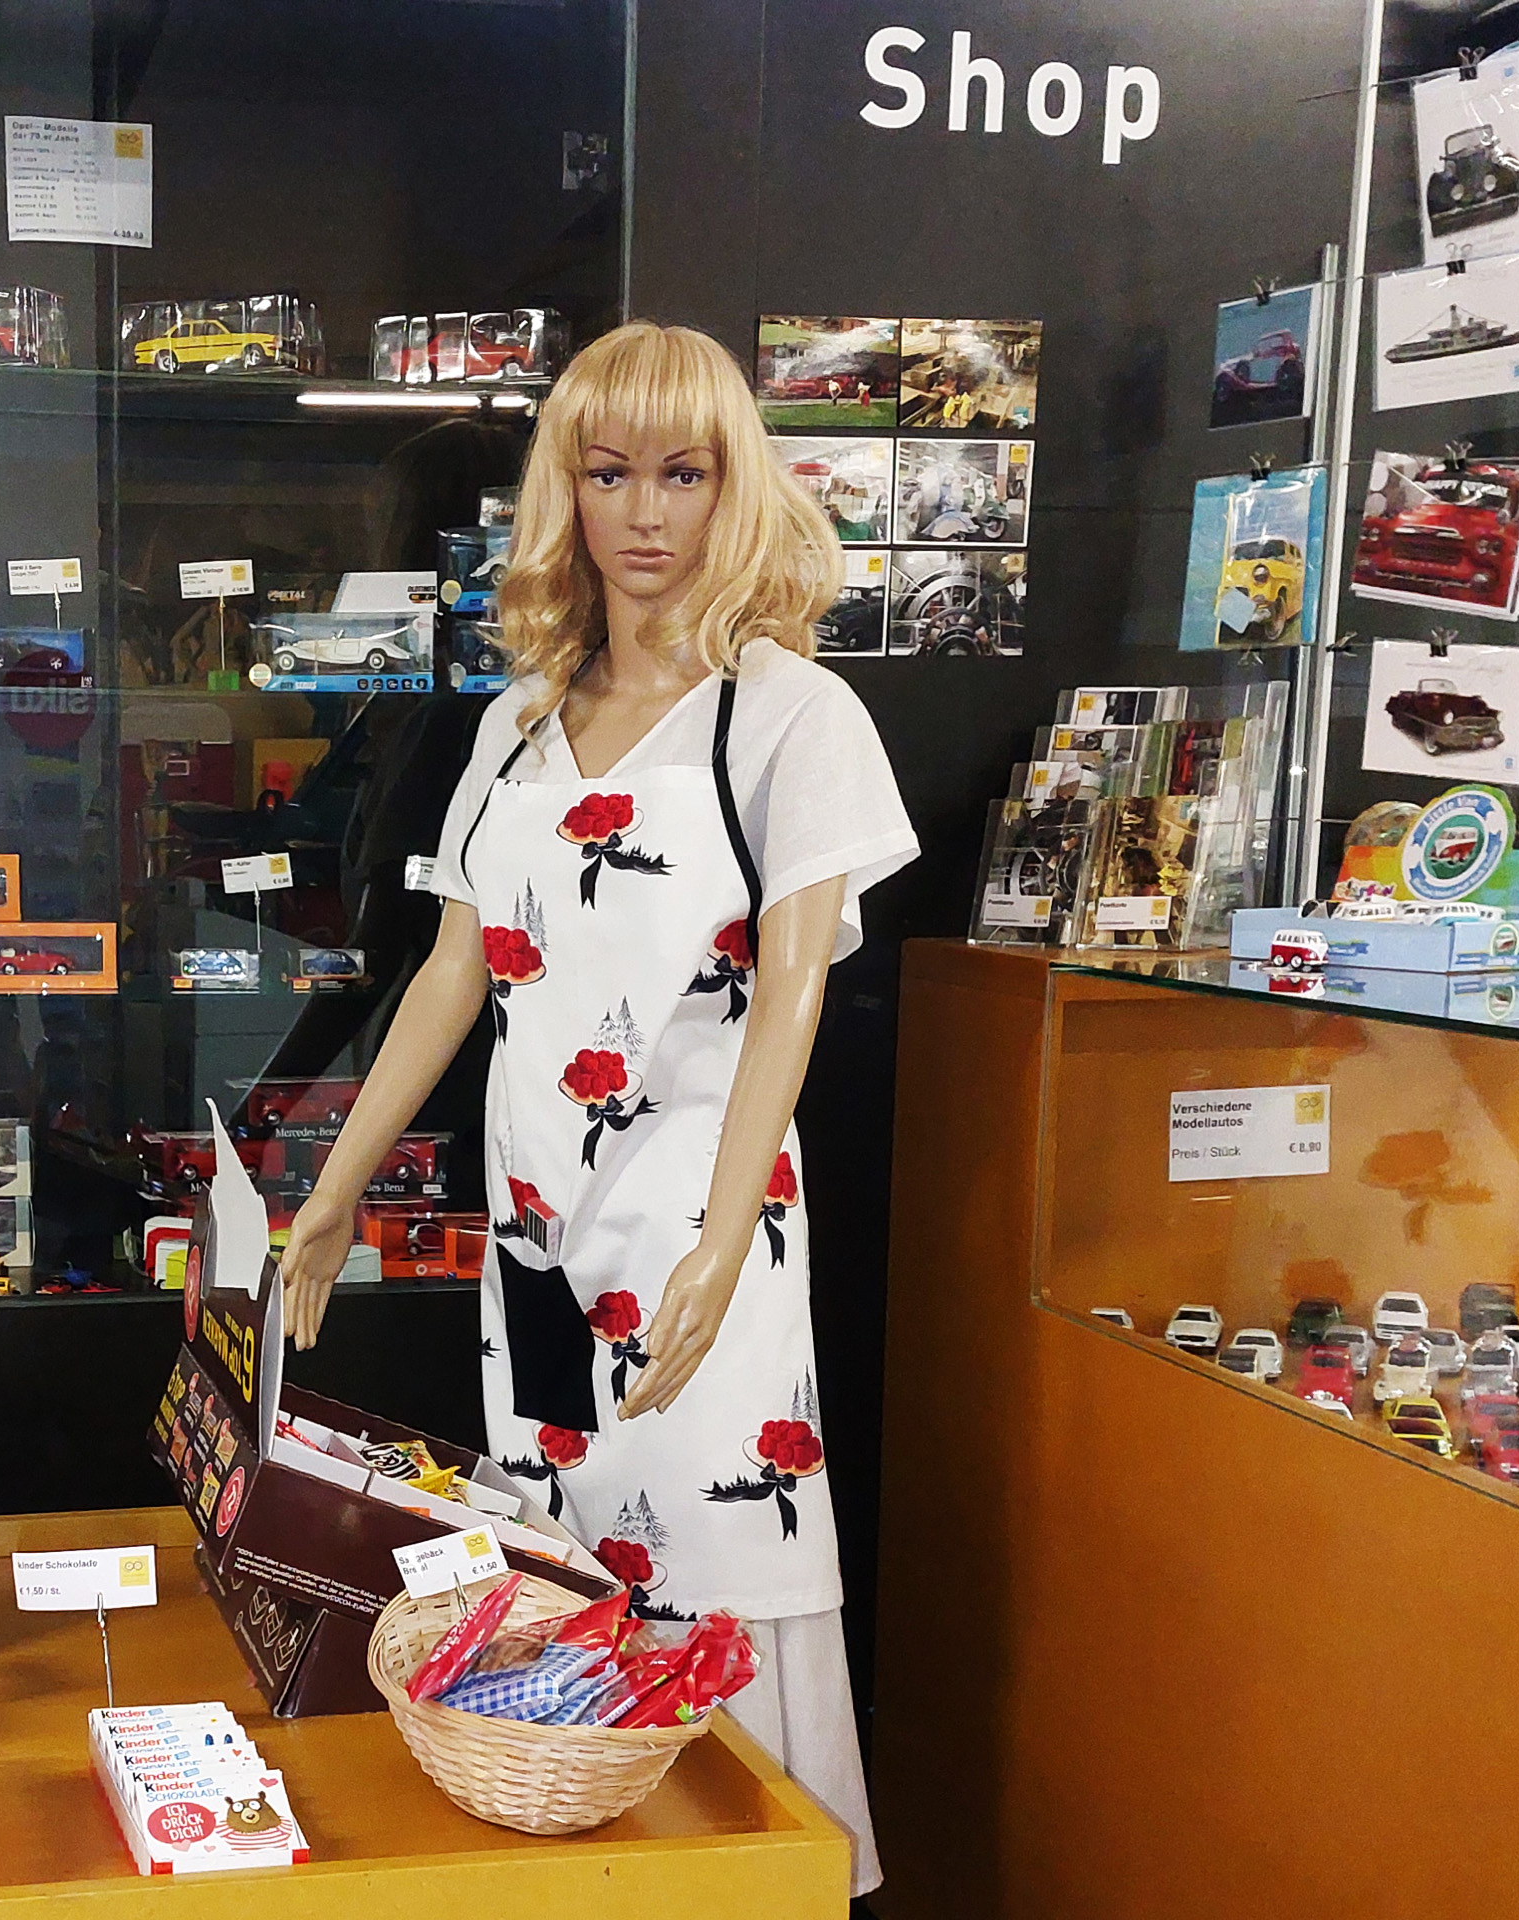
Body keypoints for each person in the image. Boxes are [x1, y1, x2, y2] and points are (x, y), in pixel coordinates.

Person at [278, 320, 915, 1894]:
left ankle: (765, 1878)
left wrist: (718, 1234)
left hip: (708, 1242)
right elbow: (450, 970)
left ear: (735, 487)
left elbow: (792, 987)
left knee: (726, 1553)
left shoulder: (788, 717)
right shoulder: (514, 723)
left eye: (684, 473)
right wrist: (335, 1185)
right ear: (564, 490)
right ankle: (598, 1869)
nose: (647, 514)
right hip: (540, 1235)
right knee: (571, 1558)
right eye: (609, 471)